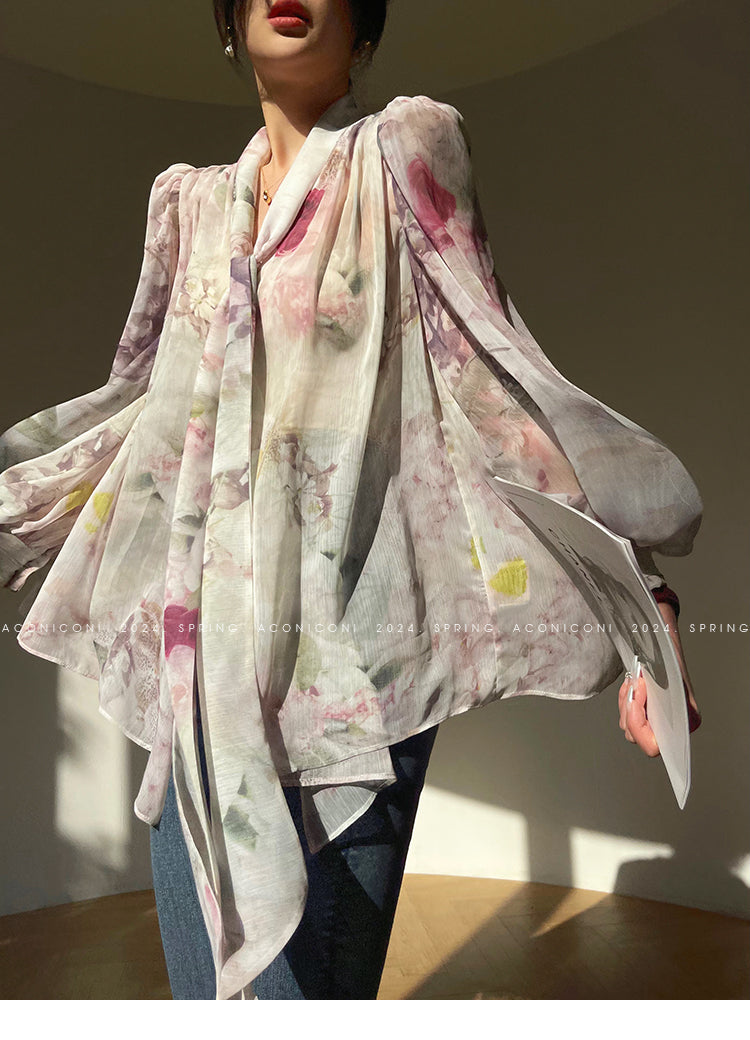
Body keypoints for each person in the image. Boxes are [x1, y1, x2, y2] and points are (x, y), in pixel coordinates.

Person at [0, 0, 702, 1001]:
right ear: (229, 23)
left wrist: (643, 599)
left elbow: (495, 381)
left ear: (363, 34)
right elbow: (136, 415)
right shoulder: (187, 207)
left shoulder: (406, 150)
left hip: (359, 674)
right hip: (198, 682)